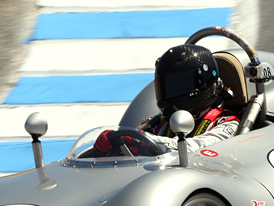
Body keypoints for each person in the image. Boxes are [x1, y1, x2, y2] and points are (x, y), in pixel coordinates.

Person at [93, 44, 240, 156]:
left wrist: (143, 142)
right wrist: (108, 146)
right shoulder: (161, 125)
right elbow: (136, 142)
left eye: (178, 85)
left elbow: (197, 148)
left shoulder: (228, 124)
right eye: (167, 86)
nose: (171, 92)